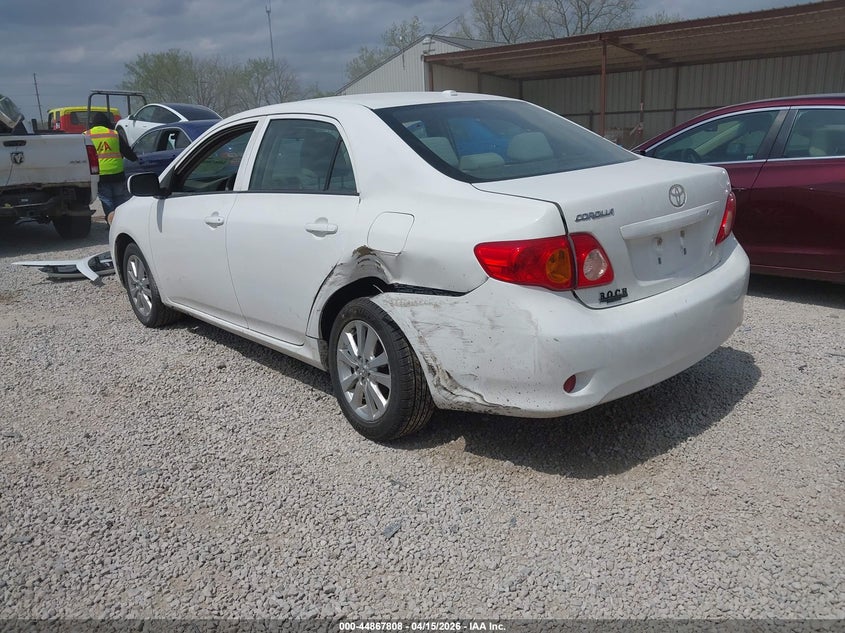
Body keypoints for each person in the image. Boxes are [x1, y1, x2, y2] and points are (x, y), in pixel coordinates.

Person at [84, 111, 137, 225]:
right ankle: (122, 222)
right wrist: (135, 158)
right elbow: (127, 152)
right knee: (119, 198)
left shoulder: (86, 135)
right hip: (117, 173)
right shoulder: (114, 134)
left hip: (100, 175)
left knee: (107, 200)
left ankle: (112, 223)